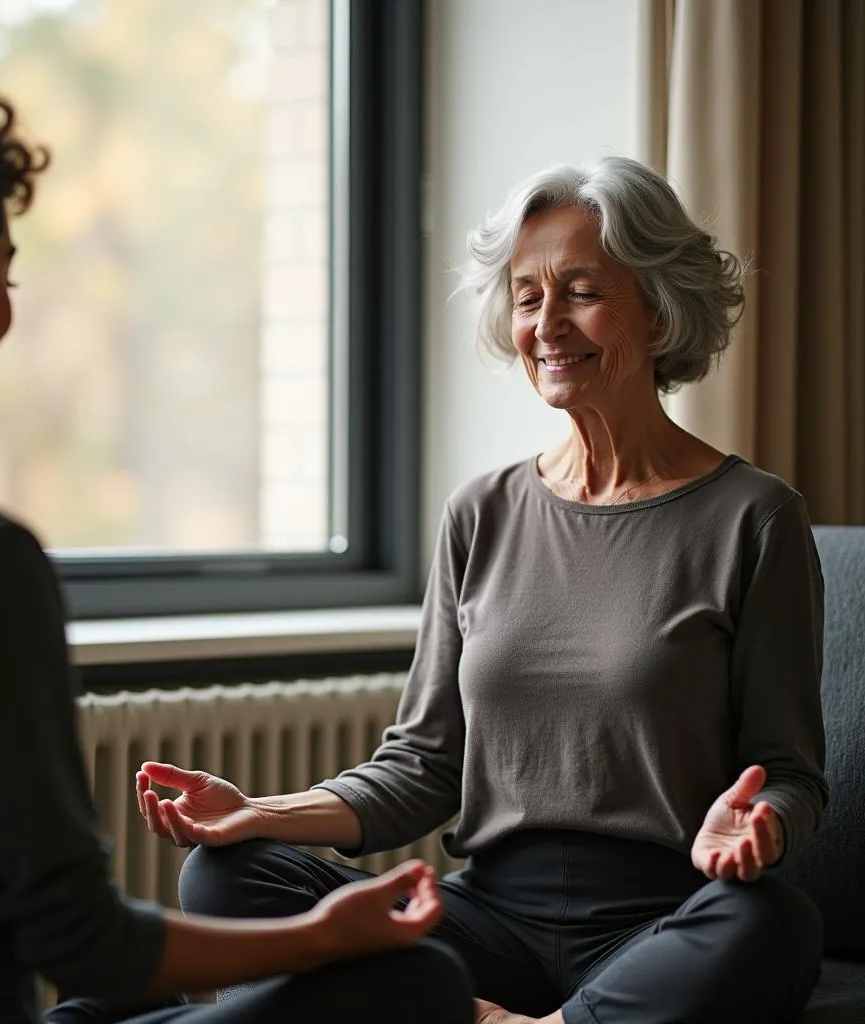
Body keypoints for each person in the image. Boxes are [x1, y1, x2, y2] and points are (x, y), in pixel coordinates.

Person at [0, 32, 476, 1024]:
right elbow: (76, 935)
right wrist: (323, 933)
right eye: (6, 274)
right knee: (419, 980)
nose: (9, 308)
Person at [137, 155, 829, 1024]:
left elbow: (794, 773)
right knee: (230, 872)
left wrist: (761, 824)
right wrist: (258, 812)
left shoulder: (754, 516)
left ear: (658, 309)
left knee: (776, 925)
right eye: (528, 296)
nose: (546, 324)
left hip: (665, 913)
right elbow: (424, 767)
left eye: (580, 291)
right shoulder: (482, 512)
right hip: (488, 916)